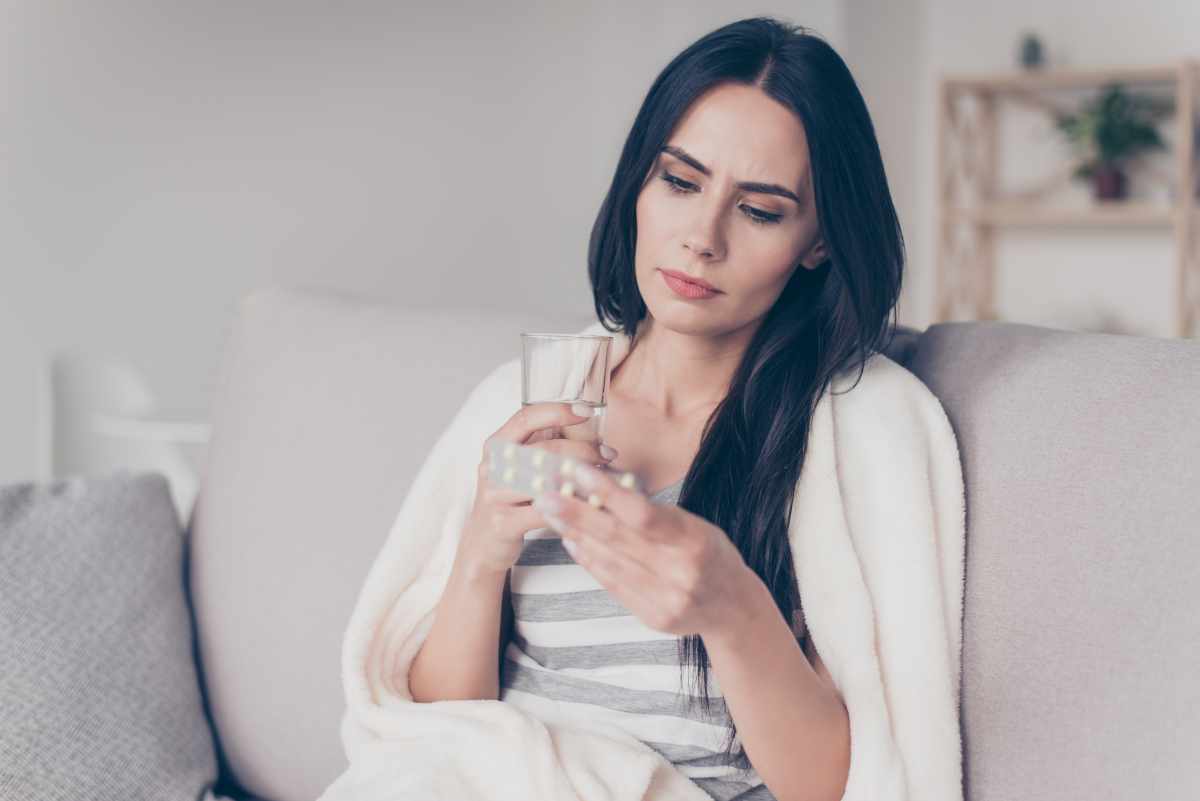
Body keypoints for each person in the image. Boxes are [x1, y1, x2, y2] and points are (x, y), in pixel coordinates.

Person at [408, 15, 905, 801]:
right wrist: (481, 552)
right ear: (639, 182)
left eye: (761, 210)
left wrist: (734, 608)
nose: (701, 238)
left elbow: (848, 786)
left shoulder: (852, 436)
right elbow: (437, 738)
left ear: (819, 242)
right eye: (680, 181)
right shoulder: (526, 400)